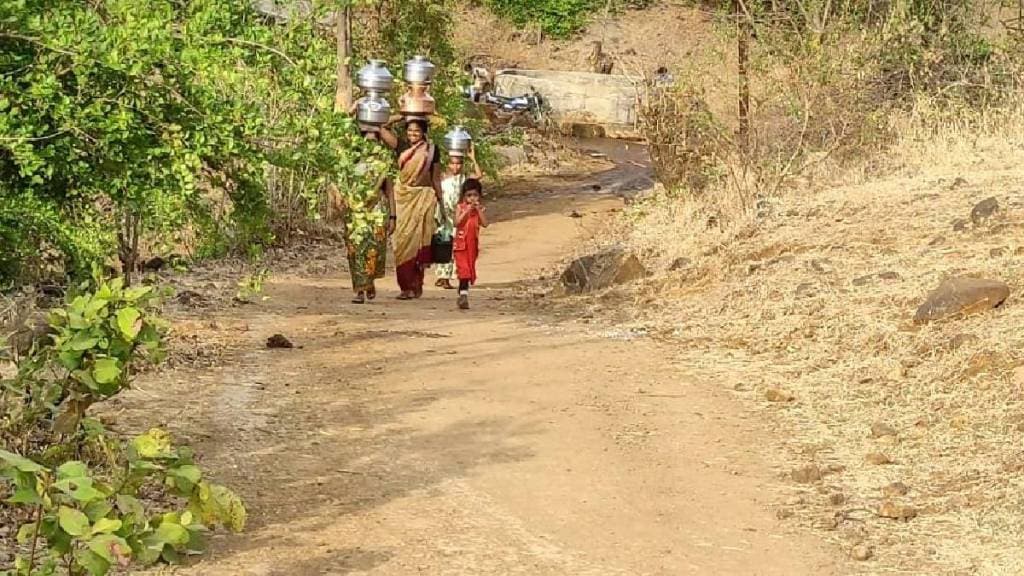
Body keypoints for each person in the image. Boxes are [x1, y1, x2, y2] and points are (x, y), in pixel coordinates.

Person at [341, 120, 398, 304]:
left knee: (373, 249)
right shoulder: (351, 161)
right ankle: (359, 289)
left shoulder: (383, 163)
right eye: (367, 141)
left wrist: (392, 216)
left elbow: (389, 191)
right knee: (356, 251)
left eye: (374, 142)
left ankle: (369, 281)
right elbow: (341, 129)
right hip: (355, 212)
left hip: (377, 212)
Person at [393, 118, 442, 300]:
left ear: (423, 133)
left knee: (420, 243)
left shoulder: (431, 151)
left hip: (424, 198)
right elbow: (381, 127)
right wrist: (402, 115)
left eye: (417, 131)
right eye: (410, 131)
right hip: (403, 199)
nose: (413, 134)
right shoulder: (401, 146)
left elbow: (435, 178)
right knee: (402, 243)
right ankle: (405, 286)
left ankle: (416, 284)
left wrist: (442, 204)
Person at [434, 144, 483, 289]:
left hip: (459, 216)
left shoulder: (464, 180)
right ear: (448, 164)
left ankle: (456, 275)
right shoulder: (443, 178)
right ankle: (442, 277)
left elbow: (479, 175)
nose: (455, 166)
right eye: (452, 163)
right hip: (445, 216)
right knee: (443, 245)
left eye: (458, 163)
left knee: (457, 247)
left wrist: (472, 158)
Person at [453, 178, 488, 310]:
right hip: (461, 244)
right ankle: (463, 295)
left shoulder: (480, 209)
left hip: (472, 245)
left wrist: (478, 210)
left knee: (469, 269)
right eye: (469, 195)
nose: (472, 198)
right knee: (464, 270)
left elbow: (485, 223)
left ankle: (462, 291)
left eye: (475, 195)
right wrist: (466, 211)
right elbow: (457, 223)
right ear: (464, 197)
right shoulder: (460, 208)